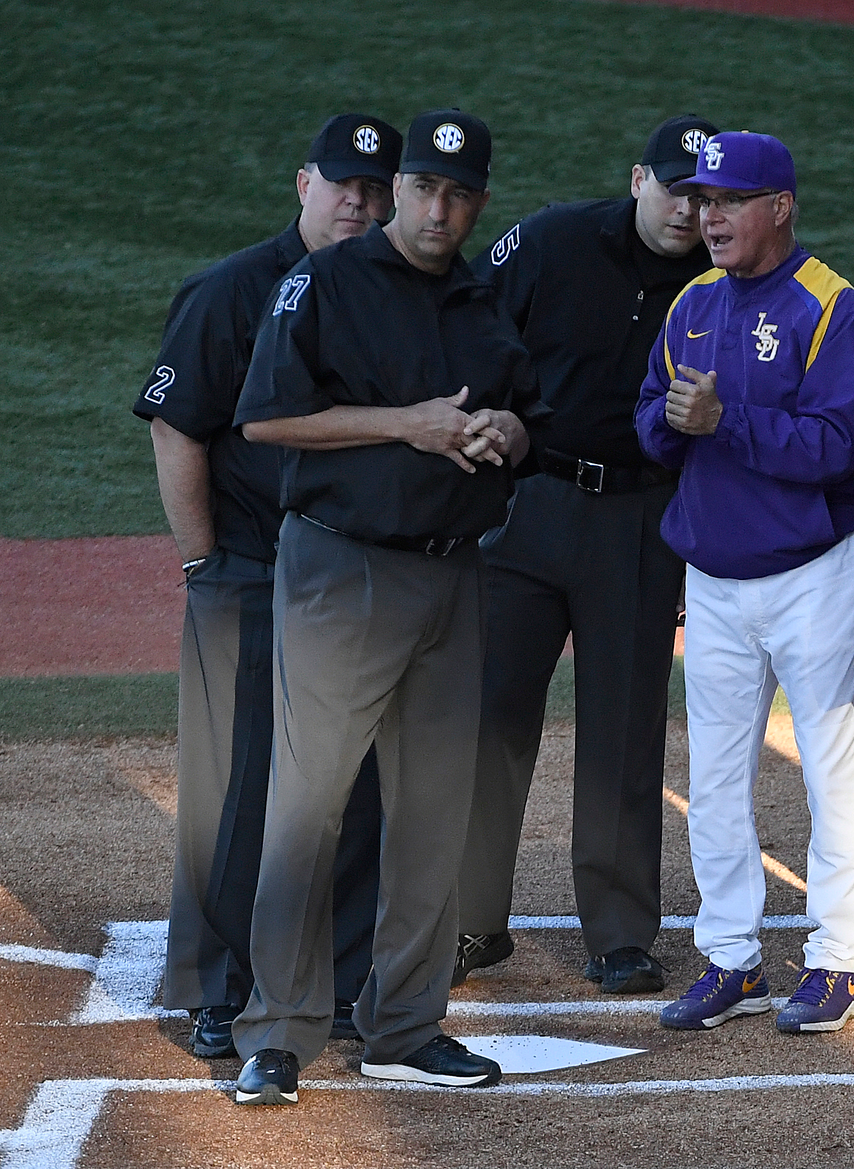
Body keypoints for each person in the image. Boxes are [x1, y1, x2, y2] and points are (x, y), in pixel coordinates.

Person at [228, 108, 546, 1105]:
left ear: (479, 202)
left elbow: (524, 420)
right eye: (423, 188)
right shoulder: (324, 283)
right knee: (309, 805)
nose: (438, 209)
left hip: (454, 577)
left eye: (459, 194)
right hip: (342, 569)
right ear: (399, 188)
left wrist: (505, 434)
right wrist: (407, 425)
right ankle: (277, 1029)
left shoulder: (481, 301)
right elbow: (266, 416)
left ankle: (404, 1023)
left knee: (432, 812)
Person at [133, 113, 401, 1060]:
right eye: (342, 186)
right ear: (304, 184)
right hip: (248, 571)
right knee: (237, 783)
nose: (357, 204)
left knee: (357, 779)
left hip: (357, 574)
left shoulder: (392, 296)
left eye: (374, 191)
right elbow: (176, 425)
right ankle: (221, 984)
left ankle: (339, 974)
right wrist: (204, 562)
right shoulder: (231, 290)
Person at [455, 113, 719, 995]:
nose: (689, 210)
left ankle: (618, 932)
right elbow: (470, 324)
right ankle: (469, 920)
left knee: (625, 726)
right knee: (491, 713)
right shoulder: (553, 241)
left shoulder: (722, 283)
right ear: (639, 179)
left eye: (707, 197)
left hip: (642, 519)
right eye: (675, 188)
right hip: (530, 506)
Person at [634, 130, 854, 1034]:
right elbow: (652, 416)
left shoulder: (831, 306)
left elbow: (834, 447)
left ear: (780, 207)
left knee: (832, 767)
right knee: (715, 772)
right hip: (713, 577)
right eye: (704, 200)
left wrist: (724, 421)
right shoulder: (692, 303)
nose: (710, 217)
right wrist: (671, 422)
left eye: (731, 201)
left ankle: (838, 960)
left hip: (814, 572)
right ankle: (731, 957)